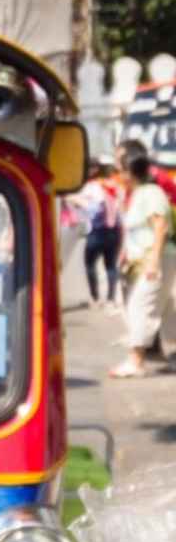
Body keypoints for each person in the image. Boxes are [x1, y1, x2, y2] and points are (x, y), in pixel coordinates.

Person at [111, 155, 173, 378]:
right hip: (145, 259)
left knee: (141, 306)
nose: (118, 175)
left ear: (130, 172)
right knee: (165, 308)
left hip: (155, 258)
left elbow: (160, 226)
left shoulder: (151, 193)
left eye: (120, 169)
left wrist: (153, 261)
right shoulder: (137, 194)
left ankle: (135, 361)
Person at [72, 159, 124, 312]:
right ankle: (110, 299)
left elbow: (92, 209)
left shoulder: (91, 186)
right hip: (114, 231)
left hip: (97, 232)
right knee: (111, 265)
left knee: (89, 264)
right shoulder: (116, 187)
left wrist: (75, 200)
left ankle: (95, 297)